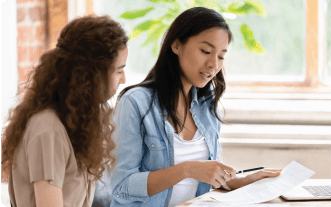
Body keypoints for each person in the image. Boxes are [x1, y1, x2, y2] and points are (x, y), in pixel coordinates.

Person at [110, 7, 281, 207]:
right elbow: (122, 186)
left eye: (221, 56)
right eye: (206, 51)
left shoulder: (207, 105)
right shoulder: (135, 103)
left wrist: (240, 181)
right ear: (176, 45)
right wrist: (187, 170)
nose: (213, 65)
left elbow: (208, 173)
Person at [1, 15, 128, 207]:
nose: (124, 80)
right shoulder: (48, 130)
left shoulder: (75, 121)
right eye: (119, 71)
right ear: (92, 74)